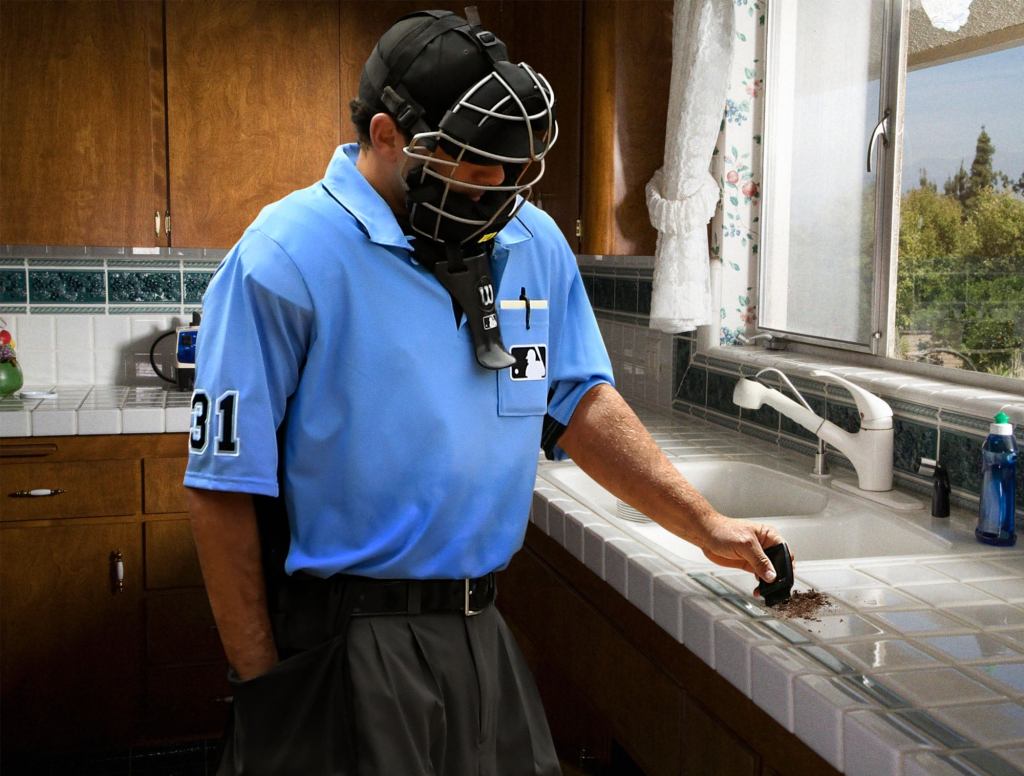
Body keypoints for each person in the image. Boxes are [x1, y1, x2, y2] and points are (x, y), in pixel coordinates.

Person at [185, 9, 785, 776]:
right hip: (348, 640)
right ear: (386, 136)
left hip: (484, 628)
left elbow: (571, 400)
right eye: (474, 162)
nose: (499, 189)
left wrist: (702, 524)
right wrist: (265, 688)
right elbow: (220, 489)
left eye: (512, 165)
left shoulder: (529, 244)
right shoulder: (285, 257)